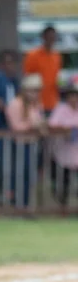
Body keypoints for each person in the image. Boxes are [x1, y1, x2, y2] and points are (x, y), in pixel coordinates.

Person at [5, 74, 46, 210]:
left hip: (32, 144)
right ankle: (17, 205)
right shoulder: (15, 104)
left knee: (30, 176)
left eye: (37, 90)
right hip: (18, 145)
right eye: (33, 90)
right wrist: (33, 126)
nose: (35, 94)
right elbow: (16, 126)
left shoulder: (36, 105)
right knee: (18, 176)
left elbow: (40, 122)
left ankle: (26, 205)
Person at [48, 80, 78, 208]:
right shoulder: (61, 108)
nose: (74, 98)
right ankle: (63, 208)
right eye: (72, 95)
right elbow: (52, 125)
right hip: (62, 152)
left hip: (76, 152)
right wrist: (67, 130)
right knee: (63, 182)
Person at [24, 25, 62, 116]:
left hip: (53, 100)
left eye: (53, 37)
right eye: (49, 37)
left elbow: (57, 78)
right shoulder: (32, 55)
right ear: (43, 37)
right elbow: (28, 78)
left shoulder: (57, 56)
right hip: (36, 101)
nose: (51, 39)